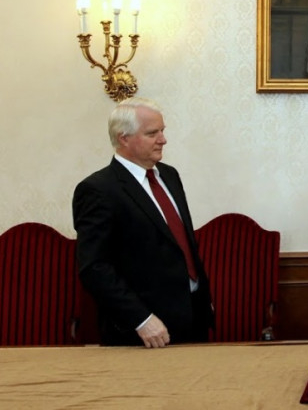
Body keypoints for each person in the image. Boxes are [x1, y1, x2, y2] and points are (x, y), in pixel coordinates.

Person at [73, 97, 214, 347]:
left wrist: (202, 299)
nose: (163, 139)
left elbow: (181, 243)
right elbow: (94, 268)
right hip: (143, 331)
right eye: (152, 133)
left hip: (193, 317)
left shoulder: (169, 175)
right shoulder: (98, 190)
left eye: (162, 131)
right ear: (124, 138)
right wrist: (141, 319)